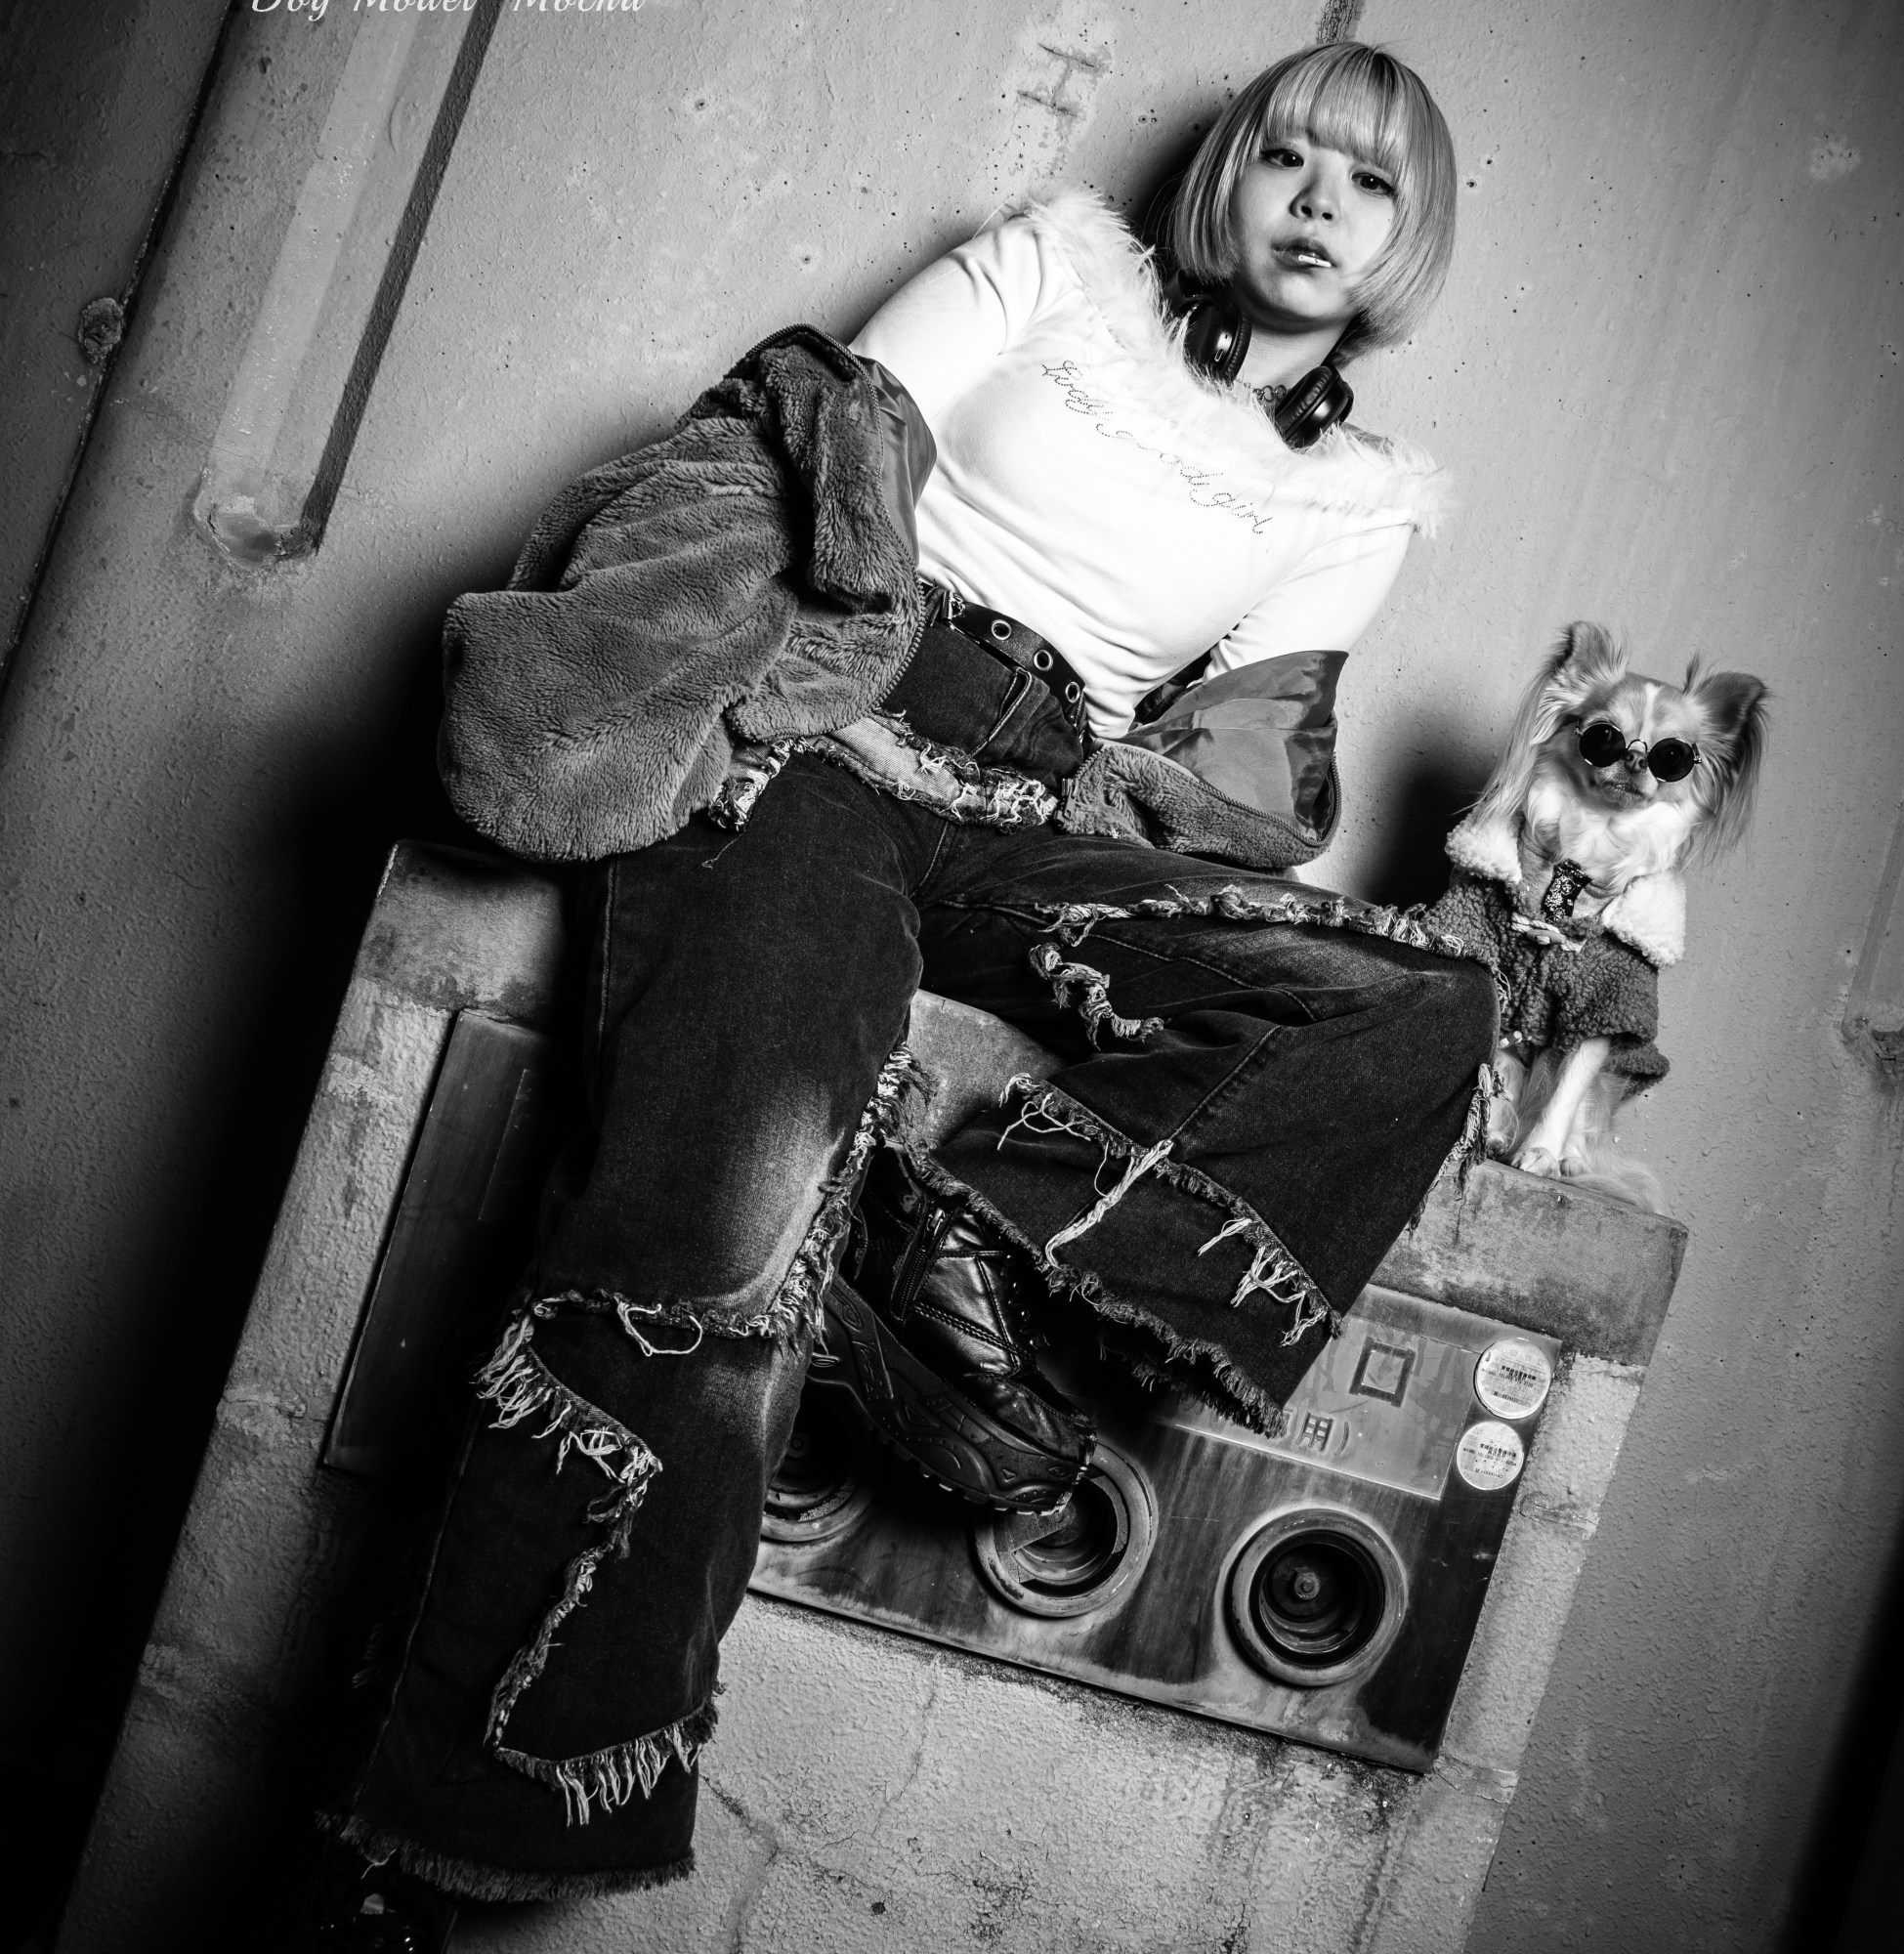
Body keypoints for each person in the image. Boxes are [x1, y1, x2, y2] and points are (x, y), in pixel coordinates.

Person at [305, 39, 1492, 1945]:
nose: (1315, 201)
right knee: (723, 1209)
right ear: (1230, 172)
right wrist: (819, 685)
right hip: (833, 737)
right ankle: (447, 1831)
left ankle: (965, 1250)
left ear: (1404, 243)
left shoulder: (1358, 499)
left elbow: (1226, 764)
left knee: (1419, 1002)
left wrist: (1184, 825)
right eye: (1288, 153)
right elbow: (824, 447)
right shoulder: (1051, 270)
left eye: (1367, 183)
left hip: (1039, 814)